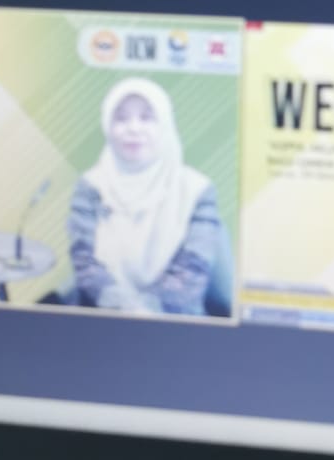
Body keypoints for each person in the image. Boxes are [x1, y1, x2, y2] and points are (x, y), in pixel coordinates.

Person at [68, 78, 223, 316]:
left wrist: (145, 311)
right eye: (121, 118)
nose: (133, 128)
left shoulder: (197, 189)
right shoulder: (90, 185)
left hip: (175, 321)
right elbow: (85, 264)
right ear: (107, 126)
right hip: (102, 318)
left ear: (165, 125)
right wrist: (126, 308)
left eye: (147, 117)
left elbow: (192, 271)